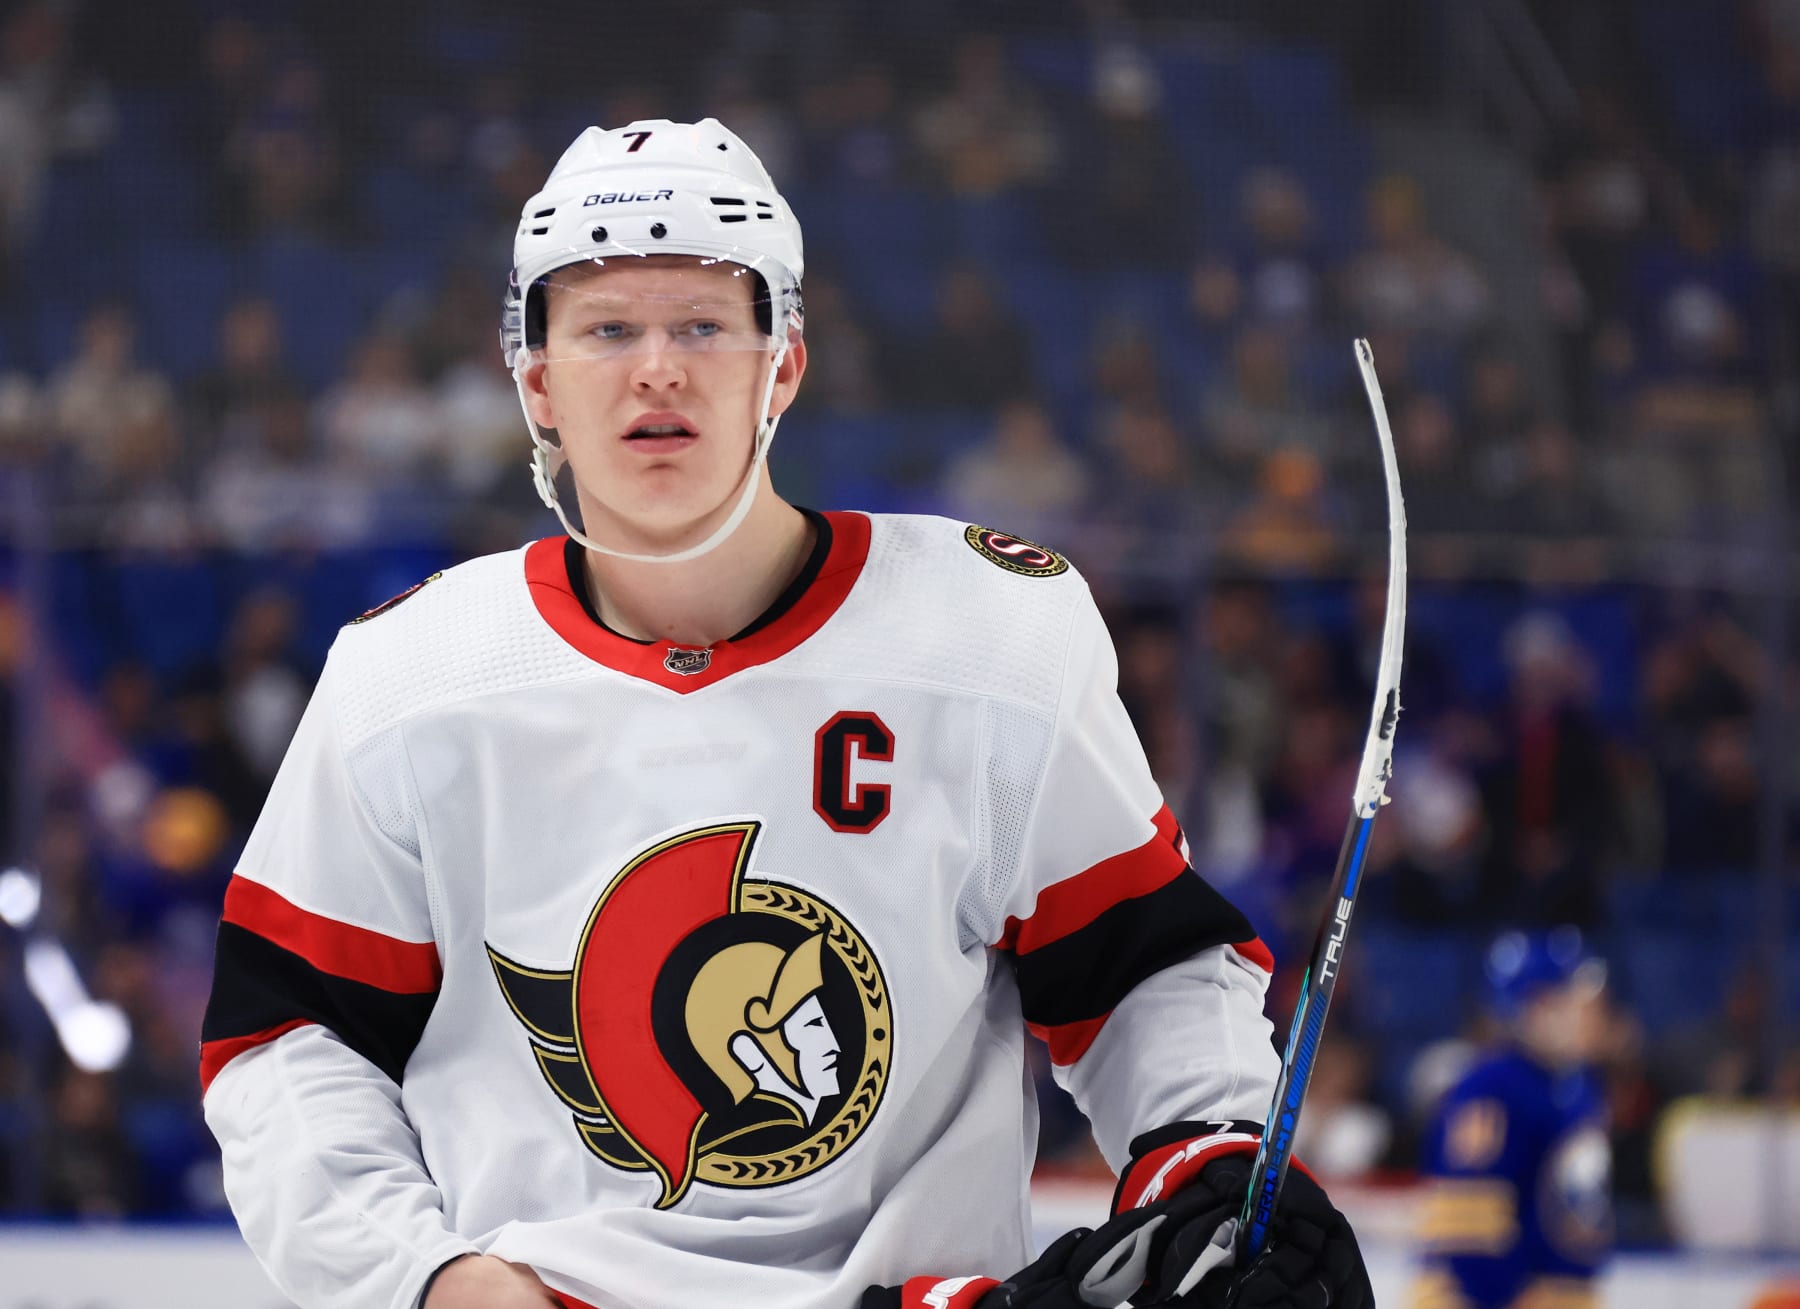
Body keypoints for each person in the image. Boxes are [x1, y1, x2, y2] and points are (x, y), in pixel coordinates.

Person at [199, 118, 1372, 1309]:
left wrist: (1210, 1166)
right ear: (538, 381)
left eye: (703, 324)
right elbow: (287, 1042)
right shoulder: (410, 679)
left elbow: (1143, 967)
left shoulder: (991, 638)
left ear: (784, 365)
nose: (658, 367)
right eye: (608, 328)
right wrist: (429, 1279)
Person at [1409, 928, 1612, 1309]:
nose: (1593, 1011)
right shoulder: (1490, 1089)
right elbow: (1467, 1229)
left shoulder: (1579, 1085)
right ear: (1536, 1008)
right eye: (1575, 999)